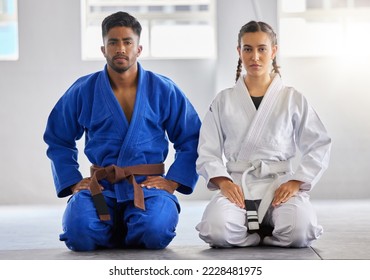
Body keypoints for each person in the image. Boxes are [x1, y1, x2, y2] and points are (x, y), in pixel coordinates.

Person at [43, 11, 201, 251]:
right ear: (103, 49)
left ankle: (125, 225)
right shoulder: (84, 89)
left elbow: (191, 137)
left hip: (146, 187)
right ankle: (117, 225)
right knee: (79, 233)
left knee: (155, 231)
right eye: (113, 42)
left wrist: (173, 182)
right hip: (103, 188)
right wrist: (73, 182)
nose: (120, 49)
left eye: (127, 42)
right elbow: (58, 138)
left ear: (138, 49)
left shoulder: (164, 89)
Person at [195, 21, 331, 248]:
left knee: (300, 231)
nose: (254, 56)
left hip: (279, 184)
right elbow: (207, 149)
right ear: (239, 52)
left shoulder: (292, 98)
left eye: (262, 49)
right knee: (216, 230)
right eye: (247, 49)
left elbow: (319, 143)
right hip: (238, 184)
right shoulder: (224, 100)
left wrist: (296, 181)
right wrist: (223, 181)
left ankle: (268, 233)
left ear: (274, 51)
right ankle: (252, 235)